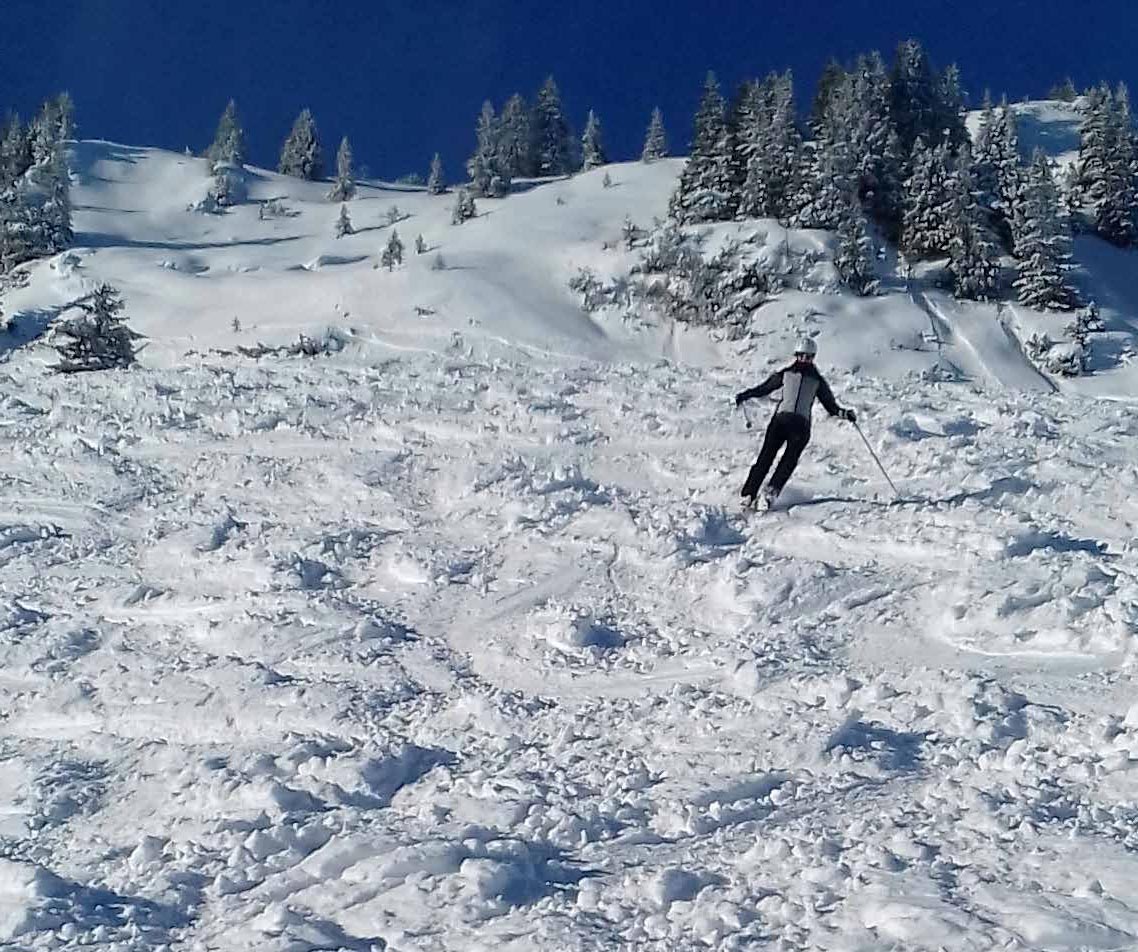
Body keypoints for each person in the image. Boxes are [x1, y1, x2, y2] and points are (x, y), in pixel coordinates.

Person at [734, 338, 856, 508]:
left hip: (800, 425)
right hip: (780, 421)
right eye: (802, 356)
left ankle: (769, 494)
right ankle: (748, 494)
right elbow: (765, 388)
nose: (804, 360)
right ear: (797, 356)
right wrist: (746, 395)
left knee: (788, 461)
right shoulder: (786, 374)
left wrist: (845, 414)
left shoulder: (817, 381)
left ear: (813, 358)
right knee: (765, 457)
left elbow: (830, 406)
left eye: (808, 357)